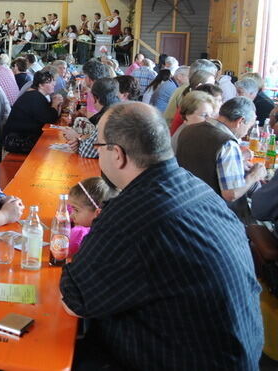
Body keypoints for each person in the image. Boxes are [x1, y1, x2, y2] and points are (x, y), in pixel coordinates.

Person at [61, 101, 262, 370]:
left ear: (117, 154)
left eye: (98, 147)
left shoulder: (134, 213)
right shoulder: (198, 189)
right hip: (238, 355)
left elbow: (76, 299)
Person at [175, 97, 266, 204]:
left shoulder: (188, 130)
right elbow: (231, 194)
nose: (247, 133)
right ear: (240, 121)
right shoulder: (228, 144)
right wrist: (254, 175)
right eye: (249, 127)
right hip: (214, 209)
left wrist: (237, 162)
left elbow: (204, 162)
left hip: (185, 200)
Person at [3, 70, 63, 154]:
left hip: (22, 137)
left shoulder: (36, 95)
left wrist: (57, 104)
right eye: (49, 83)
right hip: (18, 141)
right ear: (40, 85)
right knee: (55, 148)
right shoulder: (34, 97)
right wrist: (55, 104)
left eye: (53, 82)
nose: (54, 84)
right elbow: (49, 120)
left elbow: (50, 116)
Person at [65, 177, 116, 257]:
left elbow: (66, 250)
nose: (72, 215)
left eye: (76, 210)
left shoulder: (89, 237)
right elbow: (68, 206)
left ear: (98, 213)